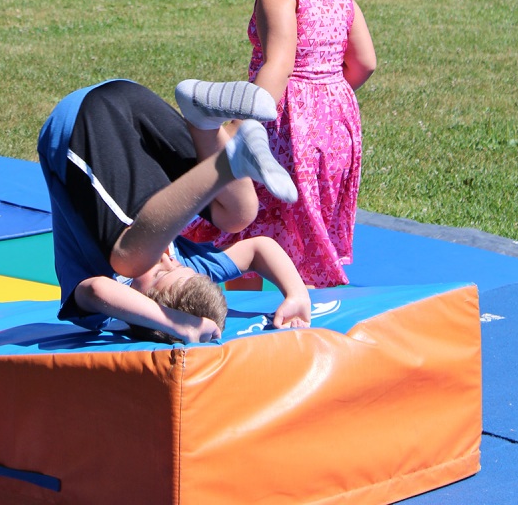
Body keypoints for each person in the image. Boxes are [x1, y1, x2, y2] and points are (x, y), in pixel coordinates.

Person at [182, 0, 377, 288]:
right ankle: (309, 296)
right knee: (306, 222)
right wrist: (326, 98)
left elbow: (278, 65)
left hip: (287, 126)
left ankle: (243, 300)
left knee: (248, 219)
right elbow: (365, 63)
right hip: (336, 126)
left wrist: (238, 127)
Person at [37, 78, 313, 343]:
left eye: (159, 274)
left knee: (130, 261)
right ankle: (206, 123)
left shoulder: (102, 310)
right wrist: (297, 294)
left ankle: (229, 164)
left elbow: (95, 290)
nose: (167, 259)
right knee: (239, 215)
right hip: (135, 105)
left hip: (80, 125)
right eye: (179, 265)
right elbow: (259, 248)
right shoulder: (190, 269)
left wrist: (175, 322)